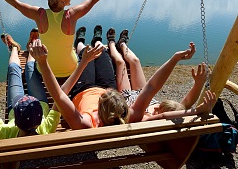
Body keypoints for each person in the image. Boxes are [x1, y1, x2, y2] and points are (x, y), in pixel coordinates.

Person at [29, 30, 216, 130]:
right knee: (101, 52)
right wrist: (174, 59)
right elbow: (151, 90)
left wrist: (45, 63)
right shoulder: (128, 117)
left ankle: (82, 46)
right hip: (105, 84)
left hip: (82, 88)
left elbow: (60, 96)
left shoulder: (86, 123)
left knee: (87, 55)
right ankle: (94, 43)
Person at [0, 0, 118, 101]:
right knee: (77, 54)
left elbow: (16, 4)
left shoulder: (40, 15)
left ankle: (27, 45)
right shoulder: (71, 15)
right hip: (70, 70)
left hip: (45, 71)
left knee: (34, 61)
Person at [0, 33, 103, 139]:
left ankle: (15, 48)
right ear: (40, 116)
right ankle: (30, 51)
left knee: (15, 71)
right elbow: (62, 93)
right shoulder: (45, 128)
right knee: (28, 71)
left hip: (35, 104)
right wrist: (83, 63)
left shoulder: (6, 133)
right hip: (39, 102)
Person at [106, 27, 209, 122]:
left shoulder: (144, 118)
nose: (156, 106)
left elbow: (153, 87)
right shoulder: (174, 115)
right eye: (160, 105)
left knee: (121, 63)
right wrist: (198, 84)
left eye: (158, 109)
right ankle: (122, 44)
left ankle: (111, 43)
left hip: (128, 95)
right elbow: (187, 102)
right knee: (135, 61)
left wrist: (174, 59)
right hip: (143, 93)